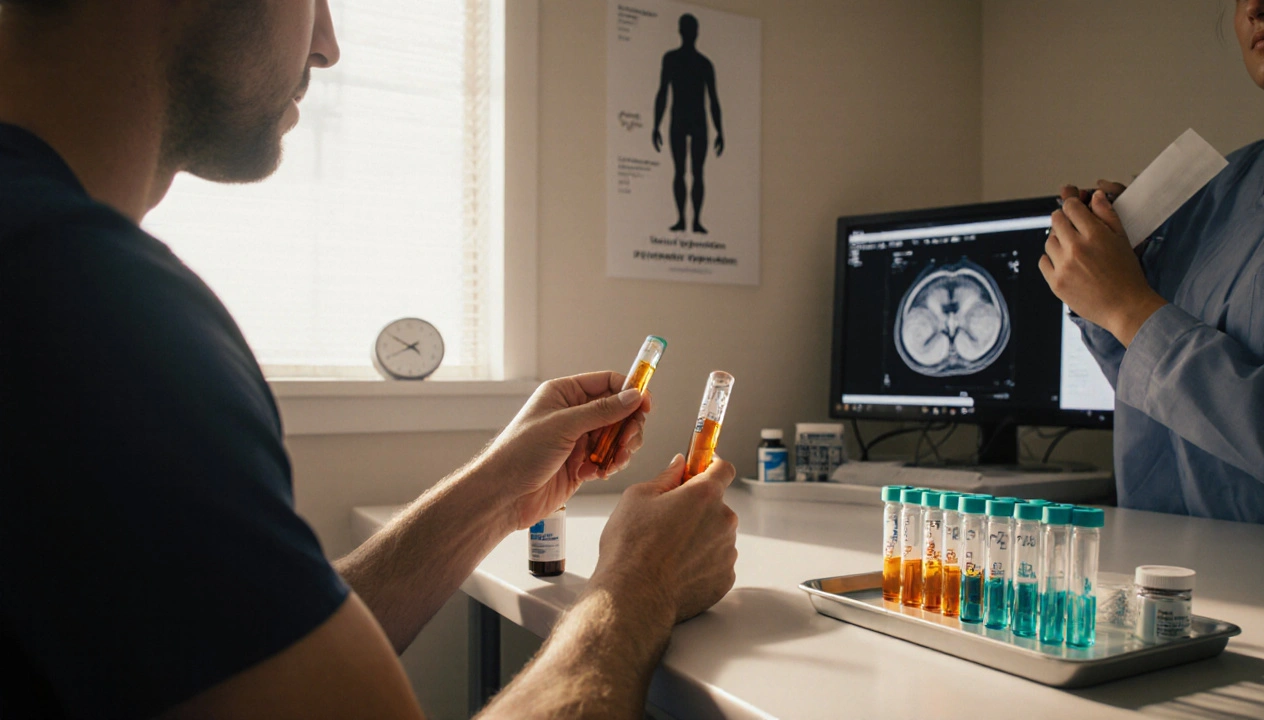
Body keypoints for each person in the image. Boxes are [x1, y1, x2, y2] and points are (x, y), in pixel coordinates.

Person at [0, 1, 739, 718]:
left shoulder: (48, 274)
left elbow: (256, 654)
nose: (325, 44)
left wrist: (498, 494)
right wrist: (640, 584)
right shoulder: (82, 302)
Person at [1040, 0, 1264, 525]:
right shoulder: (1222, 187)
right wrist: (1114, 289)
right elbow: (1158, 403)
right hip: (1164, 572)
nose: (1259, 6)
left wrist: (1131, 308)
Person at [652, 13, 724, 234]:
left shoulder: (699, 63)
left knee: (694, 173)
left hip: (693, 121)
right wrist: (655, 125)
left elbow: (713, 99)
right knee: (683, 172)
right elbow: (662, 93)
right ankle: (684, 220)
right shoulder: (680, 60)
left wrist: (721, 130)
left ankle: (693, 221)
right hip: (684, 120)